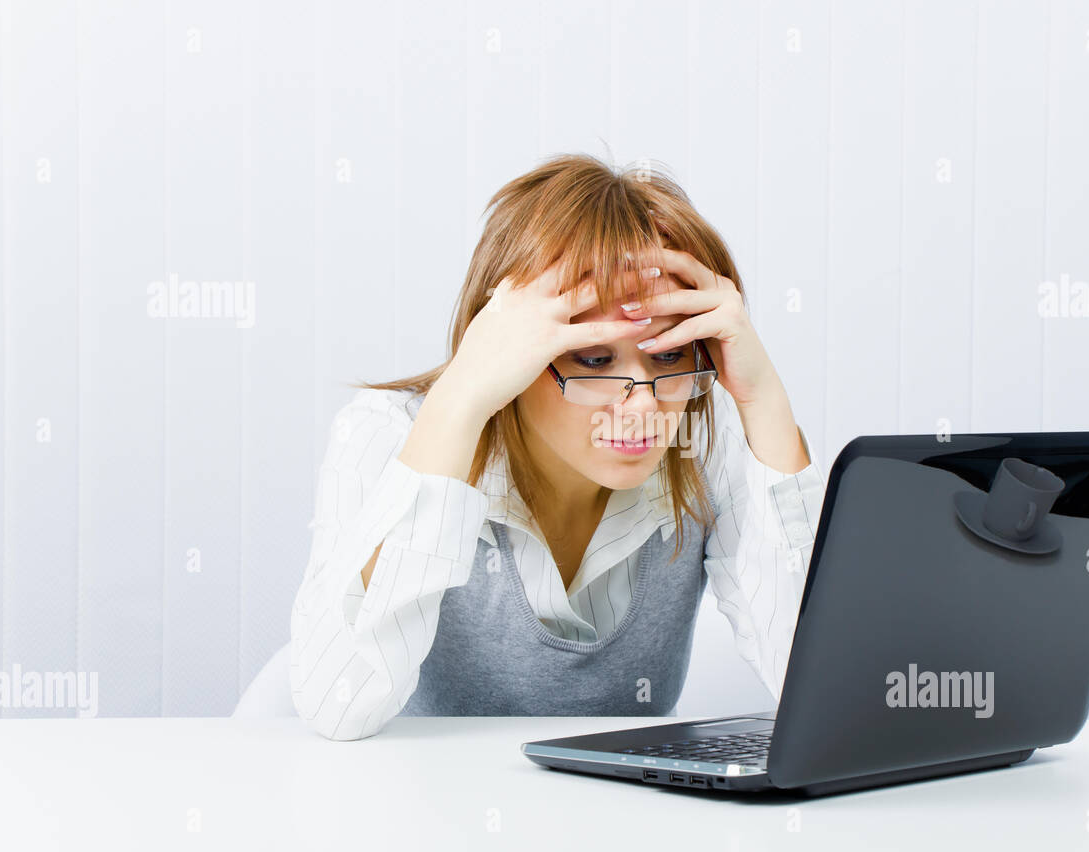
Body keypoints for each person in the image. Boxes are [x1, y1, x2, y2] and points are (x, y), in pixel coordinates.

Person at [290, 154, 826, 740]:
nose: (643, 406)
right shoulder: (388, 434)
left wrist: (764, 402)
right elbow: (339, 707)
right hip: (430, 816)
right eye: (595, 360)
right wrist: (462, 397)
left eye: (670, 354)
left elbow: (827, 690)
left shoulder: (703, 438)